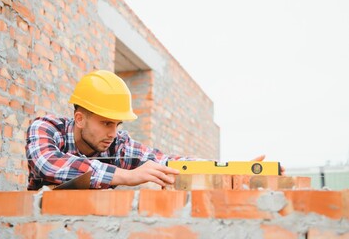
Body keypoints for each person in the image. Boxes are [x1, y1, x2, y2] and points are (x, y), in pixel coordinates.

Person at [25, 70, 269, 190]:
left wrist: (232, 172)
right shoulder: (46, 128)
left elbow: (169, 163)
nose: (113, 132)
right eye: (106, 123)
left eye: (117, 124)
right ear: (79, 119)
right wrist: (126, 176)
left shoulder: (118, 145)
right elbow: (47, 163)